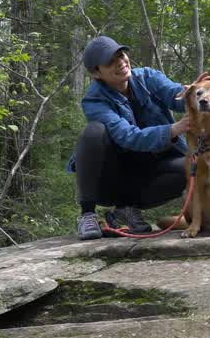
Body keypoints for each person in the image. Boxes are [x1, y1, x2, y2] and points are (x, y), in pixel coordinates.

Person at [69, 35, 199, 240]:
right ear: (97, 73)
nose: (120, 62)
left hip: (149, 173)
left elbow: (177, 96)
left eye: (121, 55)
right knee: (93, 132)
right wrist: (174, 129)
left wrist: (197, 93)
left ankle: (125, 209)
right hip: (111, 179)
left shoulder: (148, 77)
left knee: (191, 166)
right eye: (110, 61)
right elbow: (128, 137)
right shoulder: (94, 100)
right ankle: (87, 215)